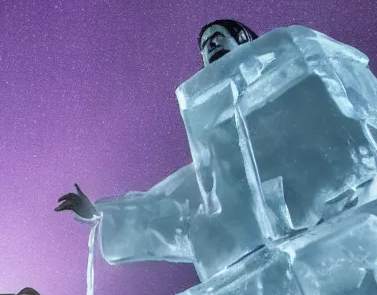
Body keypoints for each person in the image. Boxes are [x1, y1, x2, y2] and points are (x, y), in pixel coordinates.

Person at [54, 19, 258, 221]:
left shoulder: (284, 70)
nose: (211, 45)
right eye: (204, 45)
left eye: (217, 37)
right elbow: (172, 197)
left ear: (242, 38)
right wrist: (100, 216)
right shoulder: (213, 134)